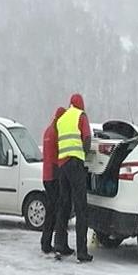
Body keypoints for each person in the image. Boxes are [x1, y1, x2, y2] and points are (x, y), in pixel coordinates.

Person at [54, 93, 93, 262]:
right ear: (81, 104)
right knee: (80, 208)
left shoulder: (61, 119)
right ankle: (82, 252)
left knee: (64, 206)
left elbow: (58, 141)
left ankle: (60, 245)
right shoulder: (81, 116)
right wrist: (84, 154)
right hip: (75, 164)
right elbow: (87, 139)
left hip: (62, 166)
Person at [40, 107, 66, 253]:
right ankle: (48, 243)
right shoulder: (56, 133)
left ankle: (45, 241)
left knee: (50, 209)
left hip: (46, 175)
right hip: (53, 175)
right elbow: (57, 156)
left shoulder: (48, 131)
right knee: (54, 211)